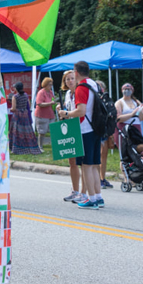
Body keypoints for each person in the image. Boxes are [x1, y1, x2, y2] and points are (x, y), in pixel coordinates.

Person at [58, 61, 104, 210]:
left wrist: (66, 113)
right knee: (94, 165)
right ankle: (98, 196)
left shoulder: (81, 88)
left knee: (86, 166)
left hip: (85, 129)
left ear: (76, 72)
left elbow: (81, 111)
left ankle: (91, 199)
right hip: (96, 127)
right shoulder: (93, 84)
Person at [60, 70, 85, 203]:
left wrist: (67, 113)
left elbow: (79, 112)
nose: (70, 81)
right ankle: (75, 190)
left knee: (84, 163)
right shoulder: (67, 94)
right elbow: (68, 110)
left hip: (82, 128)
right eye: (67, 79)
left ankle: (83, 192)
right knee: (72, 162)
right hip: (71, 129)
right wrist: (62, 110)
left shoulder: (80, 92)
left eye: (72, 78)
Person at [9, 82, 42, 155]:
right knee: (27, 131)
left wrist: (10, 109)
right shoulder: (26, 95)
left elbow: (14, 108)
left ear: (16, 88)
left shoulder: (15, 97)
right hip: (25, 115)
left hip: (17, 116)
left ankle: (17, 148)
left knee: (17, 132)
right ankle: (29, 147)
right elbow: (28, 105)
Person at [96, 80, 114, 189]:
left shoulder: (106, 99)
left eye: (101, 86)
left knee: (104, 155)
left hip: (105, 129)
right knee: (98, 155)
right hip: (96, 129)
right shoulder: (93, 98)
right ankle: (98, 178)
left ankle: (103, 177)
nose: (100, 88)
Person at [34, 77, 55, 150]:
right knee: (42, 131)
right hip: (41, 115)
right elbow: (39, 104)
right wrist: (50, 103)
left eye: (51, 85)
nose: (51, 86)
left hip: (50, 115)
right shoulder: (41, 92)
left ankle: (54, 145)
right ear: (45, 85)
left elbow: (52, 100)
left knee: (53, 130)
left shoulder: (51, 92)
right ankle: (40, 146)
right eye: (49, 85)